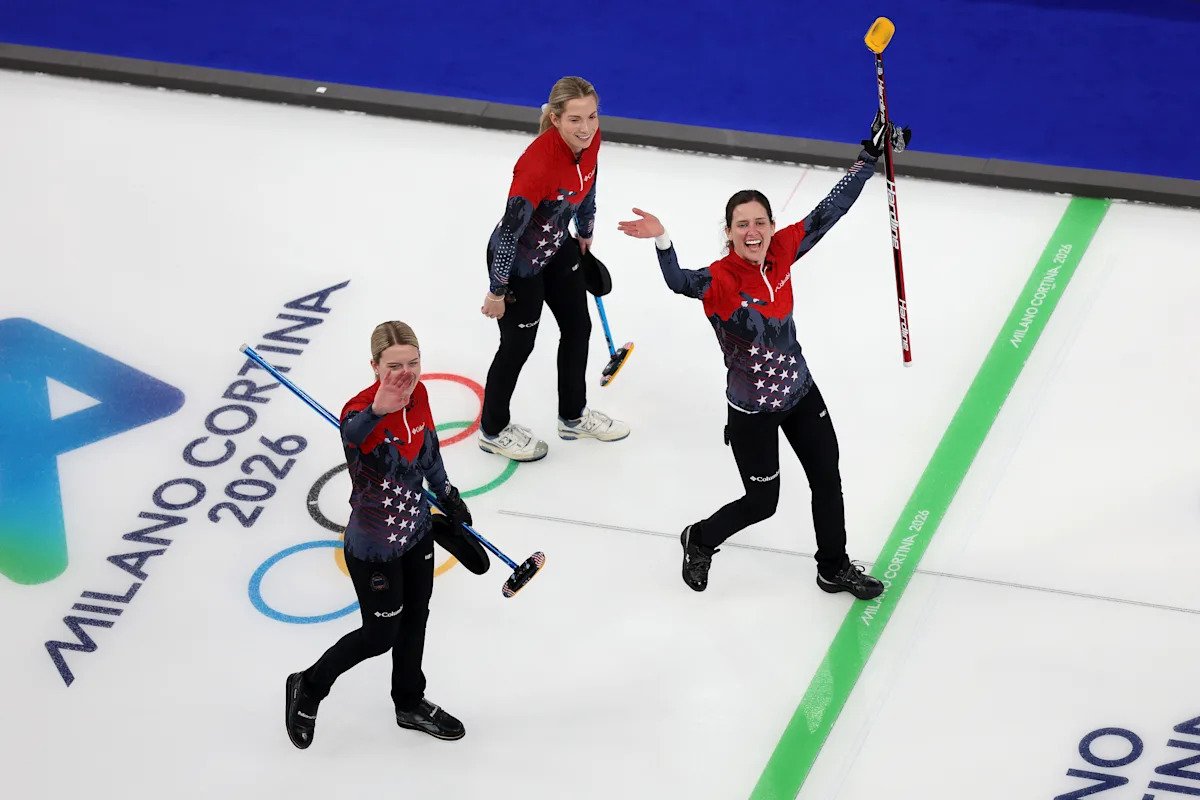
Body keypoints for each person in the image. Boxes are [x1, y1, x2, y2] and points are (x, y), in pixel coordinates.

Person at [616, 113, 911, 599]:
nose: (752, 232)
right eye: (742, 225)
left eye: (760, 223)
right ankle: (700, 537)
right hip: (751, 410)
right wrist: (663, 238)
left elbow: (829, 210)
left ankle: (833, 567)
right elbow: (676, 281)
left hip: (799, 393)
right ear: (728, 233)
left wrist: (868, 158)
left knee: (827, 480)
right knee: (762, 502)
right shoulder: (719, 280)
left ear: (771, 226)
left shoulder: (783, 251)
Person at [284, 320, 480, 748]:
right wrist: (380, 407)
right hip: (375, 548)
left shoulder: (421, 394)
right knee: (379, 635)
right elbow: (352, 433)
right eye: (393, 365)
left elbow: (428, 450)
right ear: (374, 366)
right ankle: (308, 687)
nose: (405, 373)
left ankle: (409, 702)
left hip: (418, 532)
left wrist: (447, 494)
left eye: (413, 362)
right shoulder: (359, 414)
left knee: (416, 619)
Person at [477, 75, 630, 462]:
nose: (587, 128)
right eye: (576, 120)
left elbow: (590, 183)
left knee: (578, 327)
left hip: (559, 245)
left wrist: (585, 230)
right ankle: (492, 431)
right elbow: (510, 232)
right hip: (519, 266)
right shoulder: (536, 166)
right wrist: (497, 290)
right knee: (517, 346)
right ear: (557, 118)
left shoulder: (591, 139)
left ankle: (573, 416)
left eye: (592, 116)